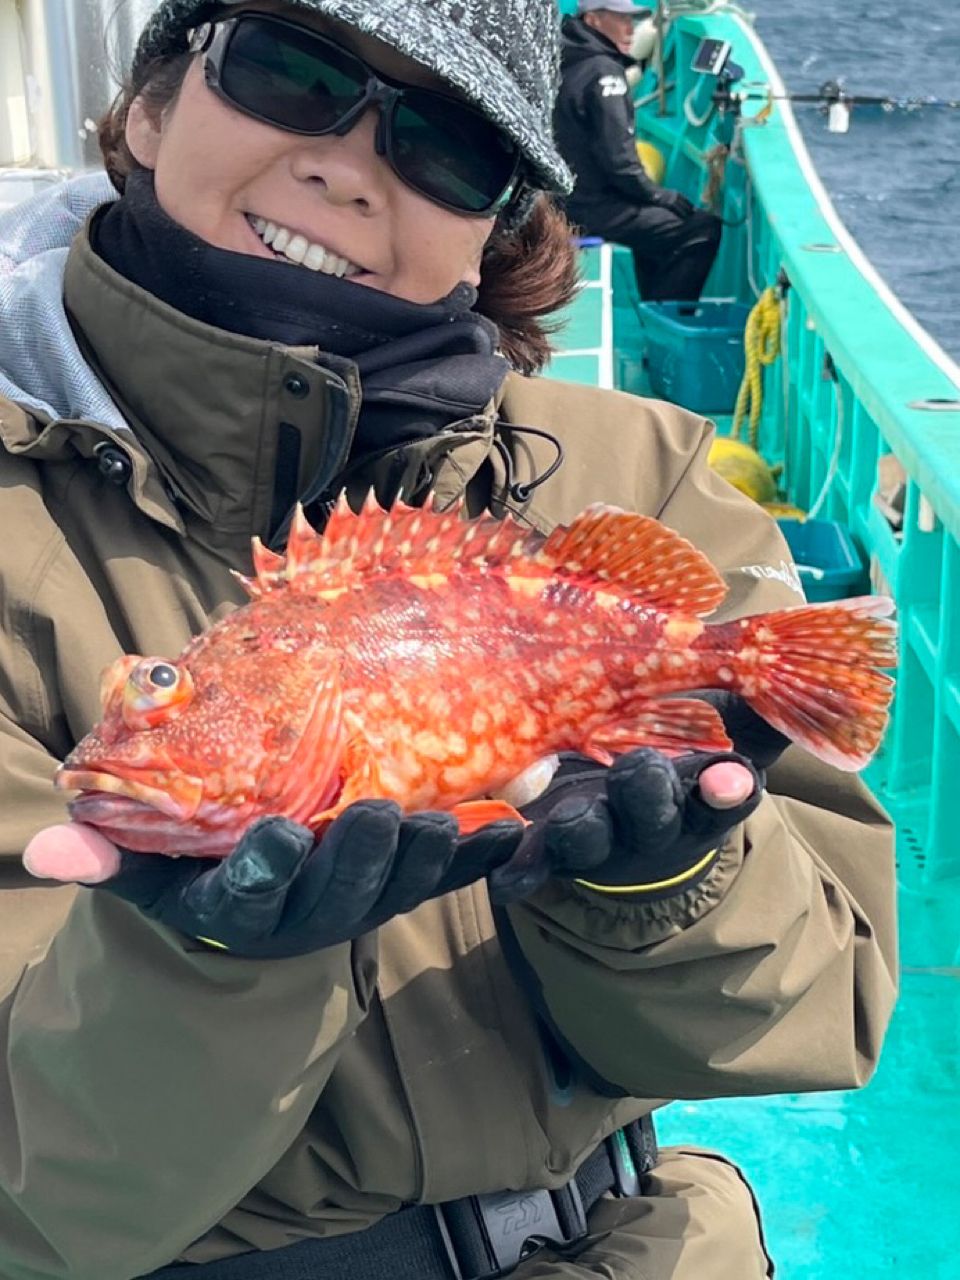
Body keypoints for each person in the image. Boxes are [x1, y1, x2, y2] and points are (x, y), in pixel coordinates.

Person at [0, 1, 897, 1278]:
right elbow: (32, 1210)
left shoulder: (636, 469)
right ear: (147, 106)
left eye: (449, 146)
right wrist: (195, 961)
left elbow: (814, 1021)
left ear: (499, 230)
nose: (346, 164)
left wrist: (659, 883)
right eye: (287, 68)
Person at [554, 0, 723, 300]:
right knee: (700, 229)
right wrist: (661, 196)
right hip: (590, 207)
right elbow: (620, 163)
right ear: (593, 20)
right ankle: (662, 317)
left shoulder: (562, 58)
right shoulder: (604, 73)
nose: (630, 28)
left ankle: (653, 304)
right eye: (621, 19)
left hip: (559, 201)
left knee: (656, 229)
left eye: (632, 20)